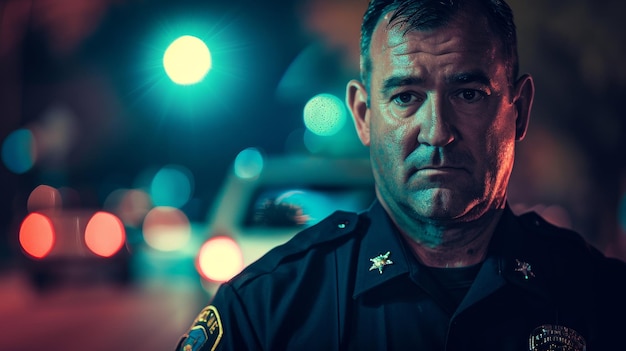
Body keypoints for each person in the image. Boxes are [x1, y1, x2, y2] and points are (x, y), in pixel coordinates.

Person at [176, 0, 626, 349]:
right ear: (363, 114)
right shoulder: (264, 310)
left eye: (468, 94)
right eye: (406, 97)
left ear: (519, 110)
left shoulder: (603, 300)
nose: (437, 132)